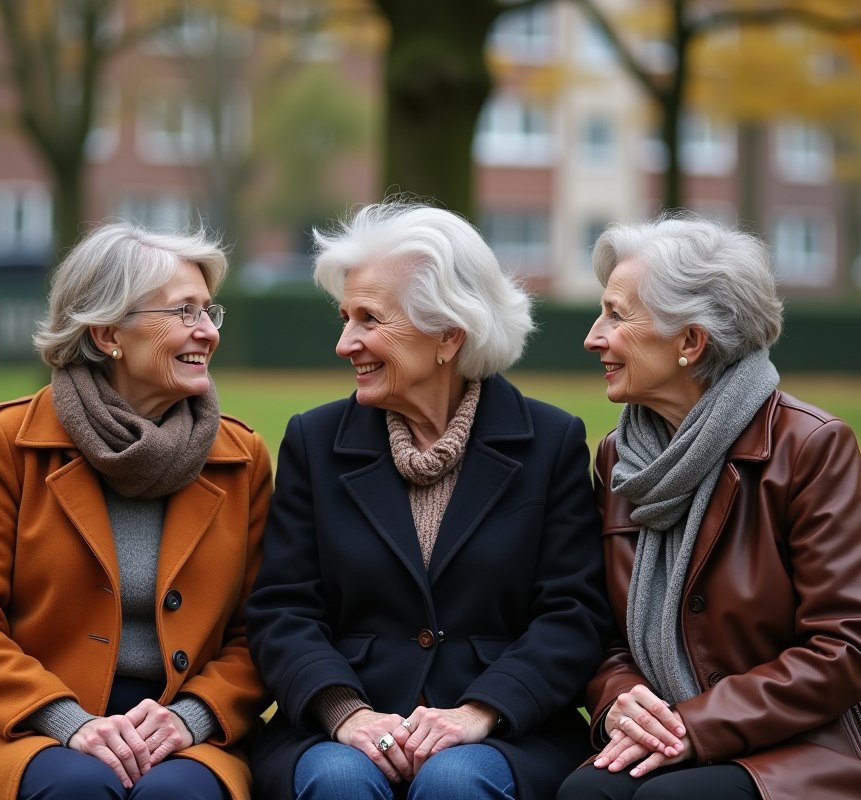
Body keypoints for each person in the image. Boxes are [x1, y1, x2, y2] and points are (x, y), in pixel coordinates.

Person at [245, 203, 613, 800]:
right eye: (345, 317)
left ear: (448, 334)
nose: (344, 343)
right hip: (343, 726)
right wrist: (346, 713)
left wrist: (481, 710)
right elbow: (283, 609)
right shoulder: (314, 440)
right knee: (339, 781)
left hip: (504, 728)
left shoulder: (551, 442)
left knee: (456, 783)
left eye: (369, 319)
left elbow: (574, 615)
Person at [558, 215, 861, 800]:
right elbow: (604, 633)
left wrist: (695, 725)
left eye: (616, 316)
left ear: (690, 342)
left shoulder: (809, 446)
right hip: (674, 729)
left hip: (817, 744)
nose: (593, 337)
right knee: (587, 794)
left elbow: (843, 649)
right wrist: (620, 700)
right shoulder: (619, 459)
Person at [0, 222, 274, 800]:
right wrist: (66, 720)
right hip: (21, 724)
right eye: (184, 311)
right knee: (77, 786)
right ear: (108, 334)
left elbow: (261, 631)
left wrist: (193, 717)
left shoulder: (242, 458)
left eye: (210, 311)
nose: (207, 331)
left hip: (184, 730)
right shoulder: (9, 442)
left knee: (177, 796)